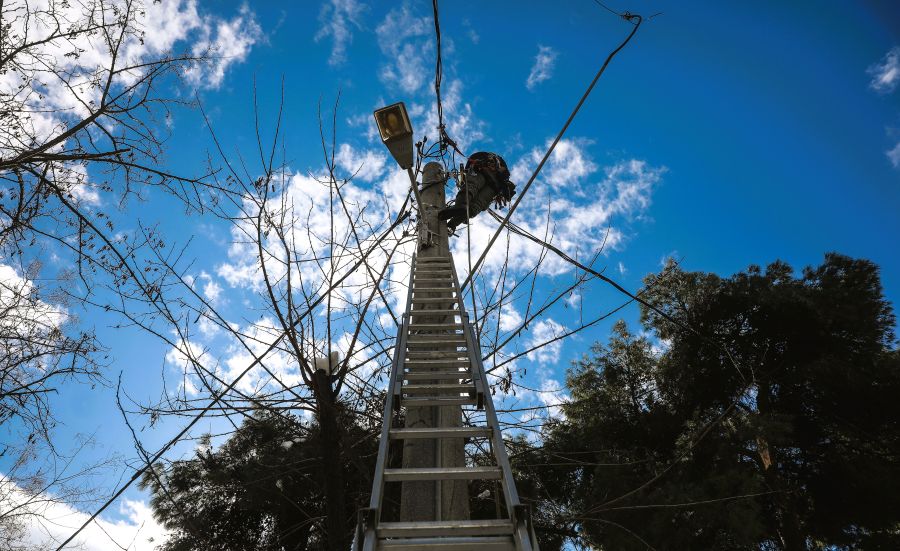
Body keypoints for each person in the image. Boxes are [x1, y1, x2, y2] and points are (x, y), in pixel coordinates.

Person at [438, 152, 516, 233]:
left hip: (484, 174)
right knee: (477, 205)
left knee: (471, 188)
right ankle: (452, 224)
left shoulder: (485, 160)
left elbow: (471, 184)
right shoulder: (502, 174)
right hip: (494, 186)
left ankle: (460, 207)